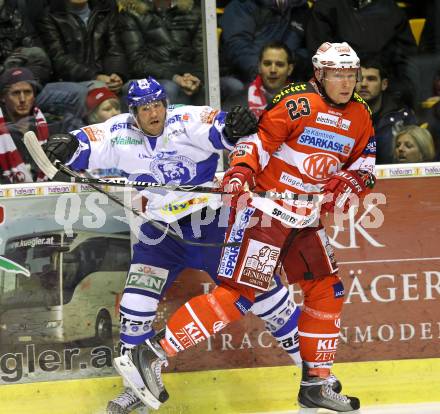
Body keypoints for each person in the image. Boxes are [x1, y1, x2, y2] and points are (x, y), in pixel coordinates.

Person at [41, 77, 326, 414]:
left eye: (158, 104)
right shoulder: (119, 131)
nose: (153, 113)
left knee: (269, 299)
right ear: (133, 112)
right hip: (157, 235)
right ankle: (139, 388)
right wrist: (66, 148)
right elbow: (85, 144)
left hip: (210, 225)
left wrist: (233, 128)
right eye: (145, 108)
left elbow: (220, 130)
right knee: (134, 309)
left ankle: (318, 381)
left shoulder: (186, 120)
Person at [124, 42, 376, 413]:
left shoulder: (360, 113)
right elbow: (255, 143)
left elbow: (366, 158)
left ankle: (315, 383)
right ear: (319, 74)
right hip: (266, 213)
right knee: (239, 296)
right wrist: (241, 172)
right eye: (338, 73)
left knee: (327, 290)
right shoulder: (295, 103)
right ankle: (152, 352)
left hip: (305, 219)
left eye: (351, 74)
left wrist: (357, 179)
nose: (346, 81)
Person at [306, 0, 418, 108]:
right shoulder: (326, 6)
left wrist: (384, 78)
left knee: (404, 91)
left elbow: (406, 57)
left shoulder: (391, 9)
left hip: (385, 84)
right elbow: (319, 56)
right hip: (341, 81)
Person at [35, 0, 127, 120]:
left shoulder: (104, 10)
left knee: (135, 88)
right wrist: (95, 76)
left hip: (103, 78)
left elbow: (114, 48)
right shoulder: (49, 15)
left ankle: (134, 136)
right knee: (99, 89)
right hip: (66, 81)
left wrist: (116, 75)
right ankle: (102, 136)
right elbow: (59, 59)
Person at [218, 0, 311, 95]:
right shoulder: (243, 5)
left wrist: (290, 63)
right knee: (235, 87)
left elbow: (307, 50)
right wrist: (261, 73)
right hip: (242, 76)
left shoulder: (302, 8)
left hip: (288, 77)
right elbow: (237, 46)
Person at [356, 58, 417, 164]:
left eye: (371, 79)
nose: (363, 84)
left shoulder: (402, 117)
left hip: (395, 177)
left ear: (384, 84)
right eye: (359, 78)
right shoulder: (341, 115)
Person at [0, 67, 49, 183]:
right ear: (2, 97)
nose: (22, 99)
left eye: (27, 92)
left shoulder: (50, 126)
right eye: (16, 93)